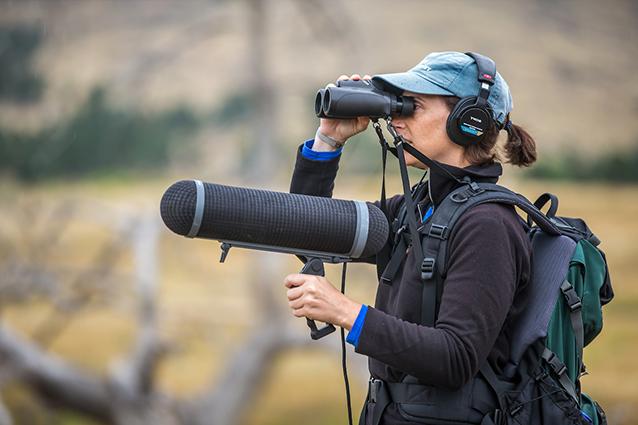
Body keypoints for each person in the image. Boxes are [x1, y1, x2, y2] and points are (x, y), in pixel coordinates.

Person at [283, 51, 538, 425]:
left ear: (467, 120)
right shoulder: (417, 206)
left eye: (411, 105)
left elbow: (456, 358)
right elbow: (308, 230)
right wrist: (328, 139)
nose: (397, 116)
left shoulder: (488, 225)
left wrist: (346, 312)